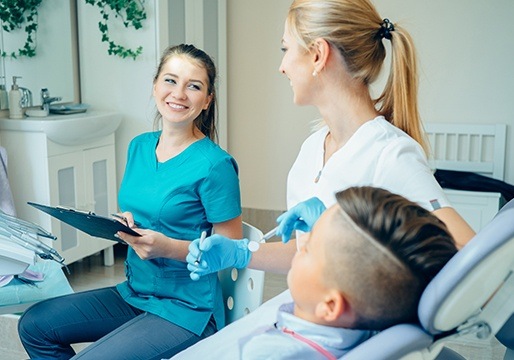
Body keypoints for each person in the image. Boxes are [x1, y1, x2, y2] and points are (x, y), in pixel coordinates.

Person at [186, 0, 474, 281]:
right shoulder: (312, 148)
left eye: (286, 49)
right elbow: (304, 250)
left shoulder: (390, 153)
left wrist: (343, 227)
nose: (282, 66)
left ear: (318, 55)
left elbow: (466, 256)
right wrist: (241, 253)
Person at [18, 44, 243, 360]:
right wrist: (127, 222)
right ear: (155, 86)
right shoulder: (139, 147)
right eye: (170, 80)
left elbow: (232, 249)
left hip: (188, 308)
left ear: (207, 100)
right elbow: (148, 210)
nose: (178, 93)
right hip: (135, 293)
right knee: (35, 325)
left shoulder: (215, 165)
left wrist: (170, 248)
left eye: (194, 86)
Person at [240, 186, 458, 359]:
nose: (301, 245)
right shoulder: (370, 322)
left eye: (308, 248)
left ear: (331, 305)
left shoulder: (267, 353)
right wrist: (330, 232)